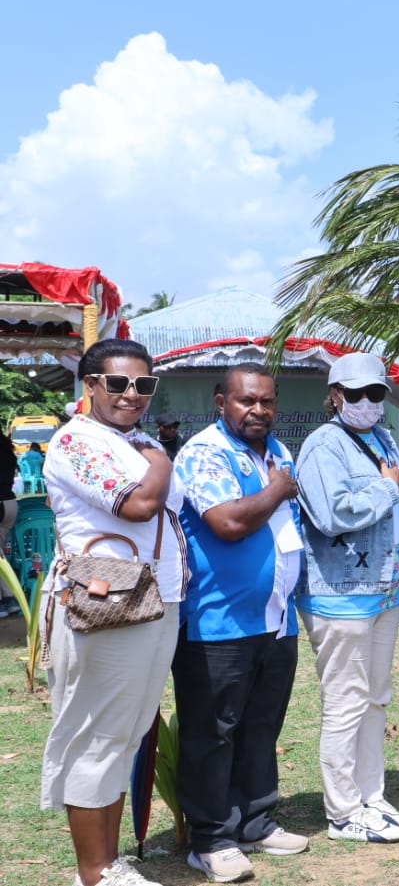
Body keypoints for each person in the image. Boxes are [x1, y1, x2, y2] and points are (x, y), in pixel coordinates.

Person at [41, 339, 185, 886]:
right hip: (107, 605)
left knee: (124, 734)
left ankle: (109, 861)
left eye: (143, 385)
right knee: (95, 734)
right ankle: (94, 870)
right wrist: (160, 459)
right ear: (91, 385)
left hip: (155, 600)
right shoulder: (77, 442)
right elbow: (139, 504)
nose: (132, 394)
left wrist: (154, 454)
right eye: (118, 383)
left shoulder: (139, 441)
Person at [171, 364, 308, 882]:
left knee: (260, 726)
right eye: (247, 401)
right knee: (213, 731)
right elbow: (227, 523)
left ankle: (255, 819)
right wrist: (278, 489)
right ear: (220, 401)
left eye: (267, 401)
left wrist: (280, 483)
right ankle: (210, 838)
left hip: (275, 618)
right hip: (219, 620)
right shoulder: (205, 452)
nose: (259, 410)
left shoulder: (278, 451)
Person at [296, 352, 399, 843]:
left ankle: (371, 797)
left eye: (375, 393)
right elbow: (333, 514)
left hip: (385, 591)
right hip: (340, 596)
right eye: (355, 394)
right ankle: (343, 811)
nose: (367, 402)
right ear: (335, 396)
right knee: (346, 701)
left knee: (376, 698)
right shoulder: (322, 447)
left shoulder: (383, 437)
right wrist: (385, 485)